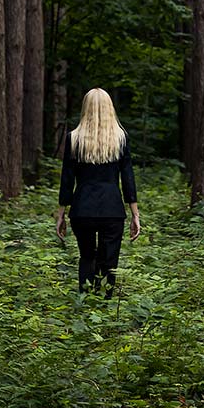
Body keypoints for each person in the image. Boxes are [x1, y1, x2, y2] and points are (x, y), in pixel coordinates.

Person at [55, 87, 141, 297]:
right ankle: (104, 304)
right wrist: (135, 214)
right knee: (109, 260)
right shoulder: (120, 139)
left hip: (82, 209)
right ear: (109, 108)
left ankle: (85, 302)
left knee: (86, 256)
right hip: (112, 209)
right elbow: (128, 178)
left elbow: (67, 179)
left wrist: (61, 213)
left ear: (86, 109)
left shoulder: (73, 139)